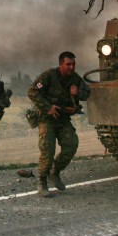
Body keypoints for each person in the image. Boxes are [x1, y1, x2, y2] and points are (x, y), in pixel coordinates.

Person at [27, 51, 90, 198]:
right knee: (47, 150)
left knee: (71, 144)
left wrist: (78, 93)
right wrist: (48, 107)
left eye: (73, 64)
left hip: (62, 119)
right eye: (68, 64)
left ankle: (54, 172)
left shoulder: (75, 79)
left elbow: (87, 93)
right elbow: (32, 91)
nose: (71, 67)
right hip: (47, 118)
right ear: (61, 64)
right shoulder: (49, 76)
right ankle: (42, 181)